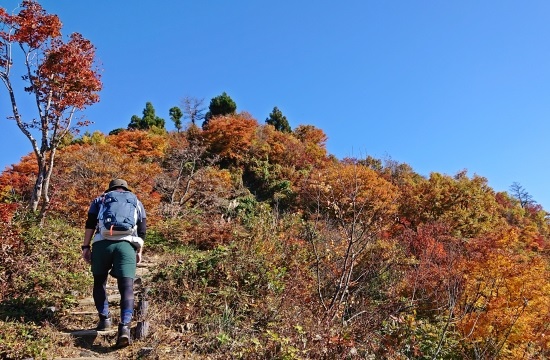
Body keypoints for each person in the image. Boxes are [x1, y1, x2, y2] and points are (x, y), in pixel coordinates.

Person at [81, 178, 146, 348]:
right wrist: (139, 251)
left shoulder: (100, 199)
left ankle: (105, 319)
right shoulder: (136, 201)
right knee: (127, 287)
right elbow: (143, 229)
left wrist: (86, 247)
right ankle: (124, 327)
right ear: (126, 188)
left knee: (99, 282)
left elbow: (90, 224)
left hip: (102, 244)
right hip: (126, 246)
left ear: (110, 188)